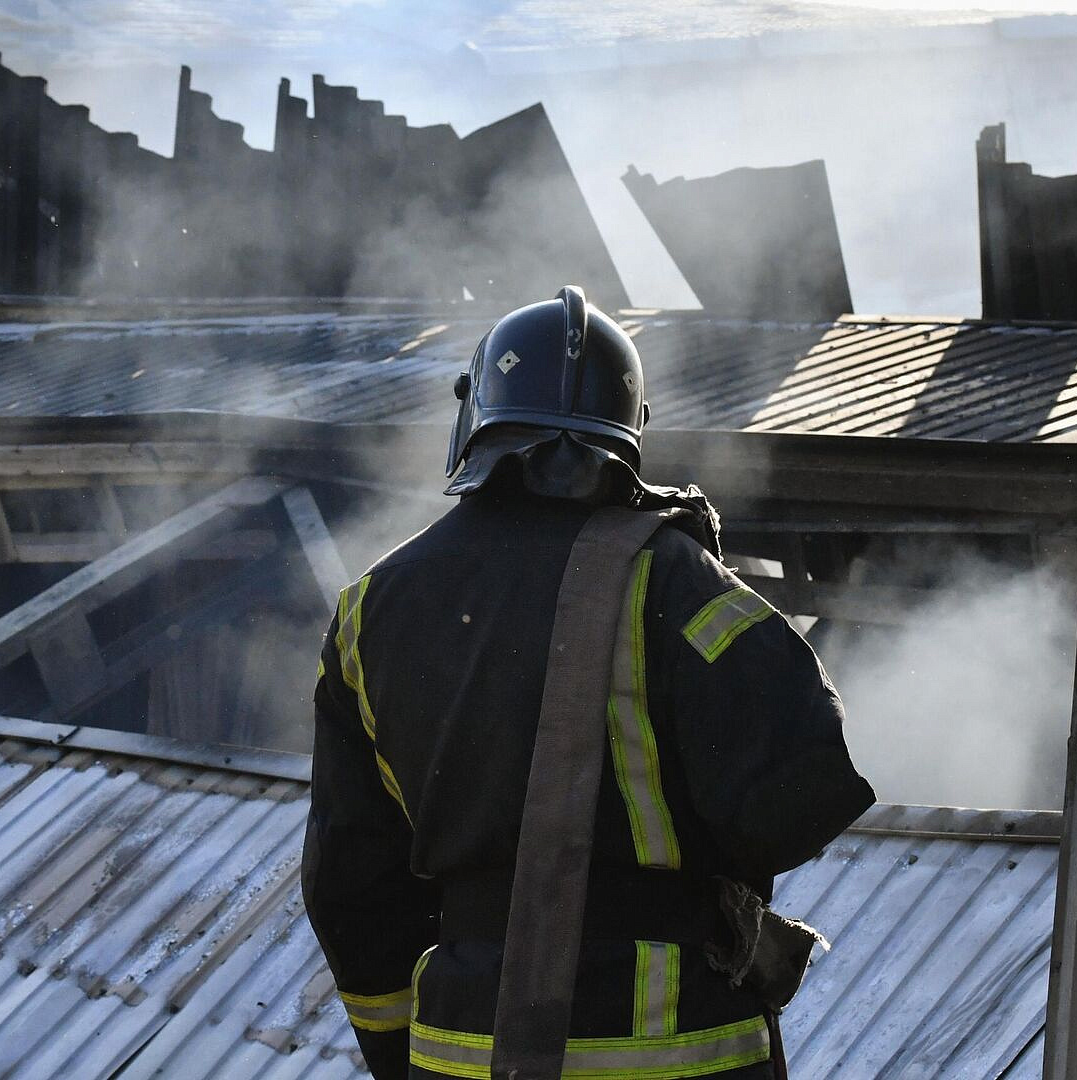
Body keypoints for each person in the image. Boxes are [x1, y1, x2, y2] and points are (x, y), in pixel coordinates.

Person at [303, 286, 875, 1080]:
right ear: (631, 433)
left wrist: (400, 1048)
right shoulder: (680, 581)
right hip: (681, 1055)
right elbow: (800, 799)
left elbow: (350, 887)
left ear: (476, 416)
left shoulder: (371, 608)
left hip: (464, 1050)